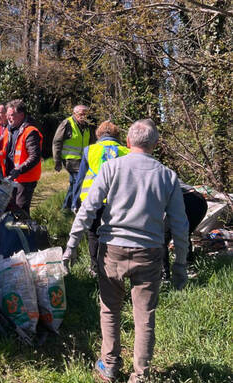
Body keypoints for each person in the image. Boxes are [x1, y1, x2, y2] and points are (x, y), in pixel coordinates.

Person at [62, 119, 189, 383]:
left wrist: (71, 247)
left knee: (110, 309)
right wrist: (180, 265)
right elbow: (180, 225)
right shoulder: (168, 176)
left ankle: (109, 365)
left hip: (113, 252)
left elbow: (87, 210)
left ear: (128, 143)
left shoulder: (111, 168)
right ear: (155, 144)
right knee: (145, 317)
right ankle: (140, 375)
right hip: (150, 252)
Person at [71, 120, 130, 276]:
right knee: (116, 234)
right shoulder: (126, 151)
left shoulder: (89, 150)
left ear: (98, 135)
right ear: (118, 135)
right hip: (117, 201)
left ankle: (95, 268)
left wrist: (74, 201)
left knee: (93, 234)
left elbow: (80, 178)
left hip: (93, 200)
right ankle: (116, 268)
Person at [0, 99, 43, 215]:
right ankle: (12, 231)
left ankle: (26, 232)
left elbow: (35, 156)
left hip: (25, 178)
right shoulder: (9, 129)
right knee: (9, 208)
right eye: (8, 115)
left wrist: (19, 170)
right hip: (12, 176)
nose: (9, 118)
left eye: (11, 115)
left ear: (21, 115)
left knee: (20, 210)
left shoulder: (31, 132)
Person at [52, 105, 95, 210]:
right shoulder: (67, 123)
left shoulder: (87, 125)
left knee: (74, 183)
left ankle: (66, 208)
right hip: (70, 159)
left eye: (85, 114)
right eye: (81, 114)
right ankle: (74, 207)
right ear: (75, 113)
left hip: (83, 160)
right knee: (78, 181)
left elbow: (92, 142)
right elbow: (57, 142)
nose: (83, 116)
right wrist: (57, 161)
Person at [162, 182, 208, 279]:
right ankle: (188, 268)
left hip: (185, 200)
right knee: (183, 234)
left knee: (161, 239)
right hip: (198, 200)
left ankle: (164, 277)